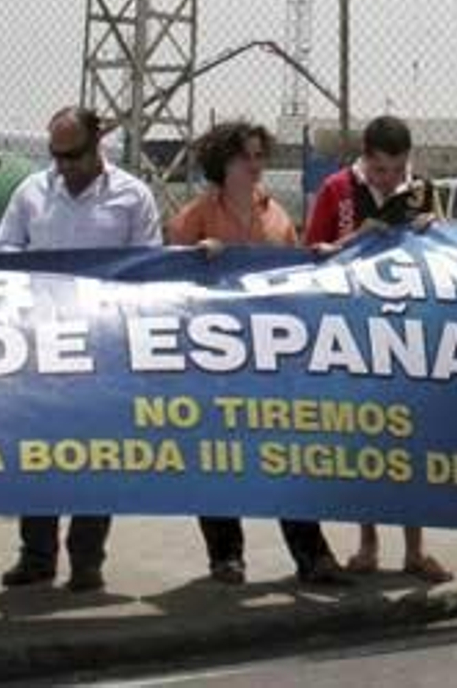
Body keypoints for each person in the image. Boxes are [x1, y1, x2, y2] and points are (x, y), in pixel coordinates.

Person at [0, 106, 161, 593]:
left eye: (74, 154)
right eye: (57, 155)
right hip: (39, 343)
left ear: (97, 144)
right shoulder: (31, 192)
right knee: (38, 451)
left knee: (98, 453)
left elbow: (149, 265)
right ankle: (36, 555)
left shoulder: (132, 195)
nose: (64, 165)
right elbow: (3, 250)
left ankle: (87, 560)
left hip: (104, 345)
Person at [303, 115, 450, 585]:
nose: (389, 179)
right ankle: (367, 544)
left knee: (412, 442)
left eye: (397, 169)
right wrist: (356, 239)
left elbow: (442, 256)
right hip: (353, 330)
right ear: (364, 158)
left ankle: (415, 549)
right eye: (381, 169)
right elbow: (312, 254)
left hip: (408, 330)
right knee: (366, 442)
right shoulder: (336, 189)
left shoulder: (422, 190)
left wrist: (435, 231)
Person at [167, 120, 303, 586]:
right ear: (221, 164)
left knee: (287, 457)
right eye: (245, 156)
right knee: (217, 456)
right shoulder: (194, 218)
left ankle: (311, 554)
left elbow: (297, 281)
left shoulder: (278, 217)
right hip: (214, 361)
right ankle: (226, 556)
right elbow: (166, 283)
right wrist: (196, 260)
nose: (255, 165)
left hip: (270, 357)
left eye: (260, 155)